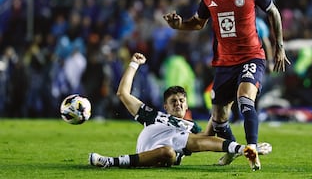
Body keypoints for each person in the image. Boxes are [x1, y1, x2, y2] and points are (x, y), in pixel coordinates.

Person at [163, 0, 290, 170]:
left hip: (252, 57)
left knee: (245, 99)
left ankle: (252, 149)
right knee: (219, 118)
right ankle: (233, 149)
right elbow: (197, 23)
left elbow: (274, 12)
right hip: (224, 62)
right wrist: (179, 25)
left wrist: (279, 46)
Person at [89, 52, 272, 168]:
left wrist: (224, 103)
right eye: (173, 101)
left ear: (187, 105)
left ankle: (244, 149)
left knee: (171, 149)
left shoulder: (190, 127)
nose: (178, 103)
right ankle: (243, 149)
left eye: (182, 101)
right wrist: (133, 65)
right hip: (148, 149)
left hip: (168, 154)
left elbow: (207, 138)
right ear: (165, 106)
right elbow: (123, 93)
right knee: (172, 147)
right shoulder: (153, 116)